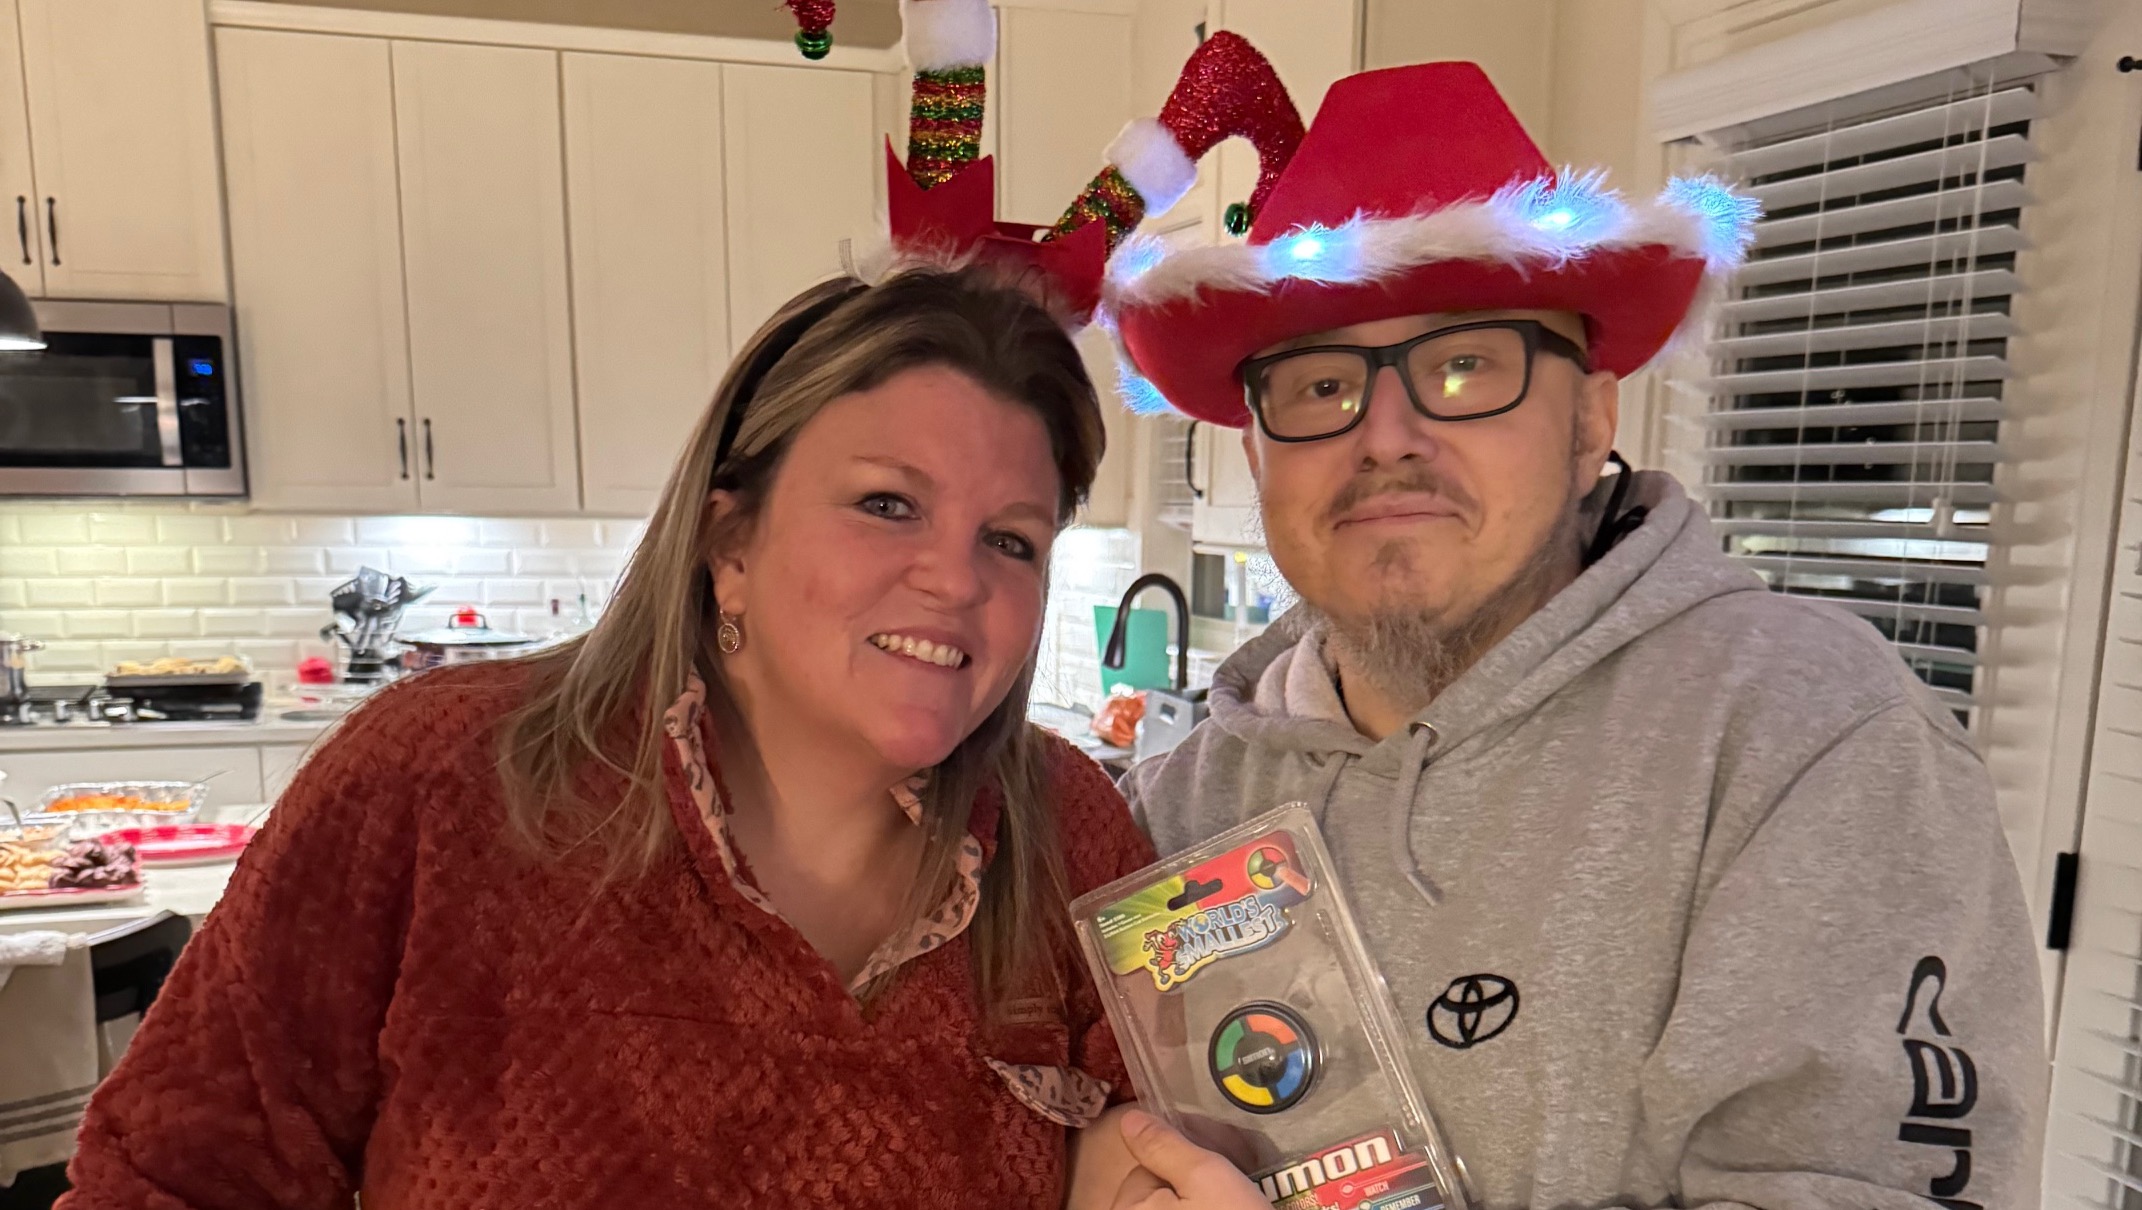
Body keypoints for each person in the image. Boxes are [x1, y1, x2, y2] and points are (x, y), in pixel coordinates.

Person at [1081, 61, 2046, 1210]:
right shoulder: (1176, 809)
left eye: (1464, 367)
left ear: (1591, 420)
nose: (1385, 435)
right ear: (1257, 454)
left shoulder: (1809, 736)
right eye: (1318, 385)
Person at [56, 267, 1159, 1209]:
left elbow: (1191, 1120)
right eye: (887, 504)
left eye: (1012, 540)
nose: (957, 580)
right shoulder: (442, 775)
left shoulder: (1075, 831)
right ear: (729, 540)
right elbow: (171, 1176)